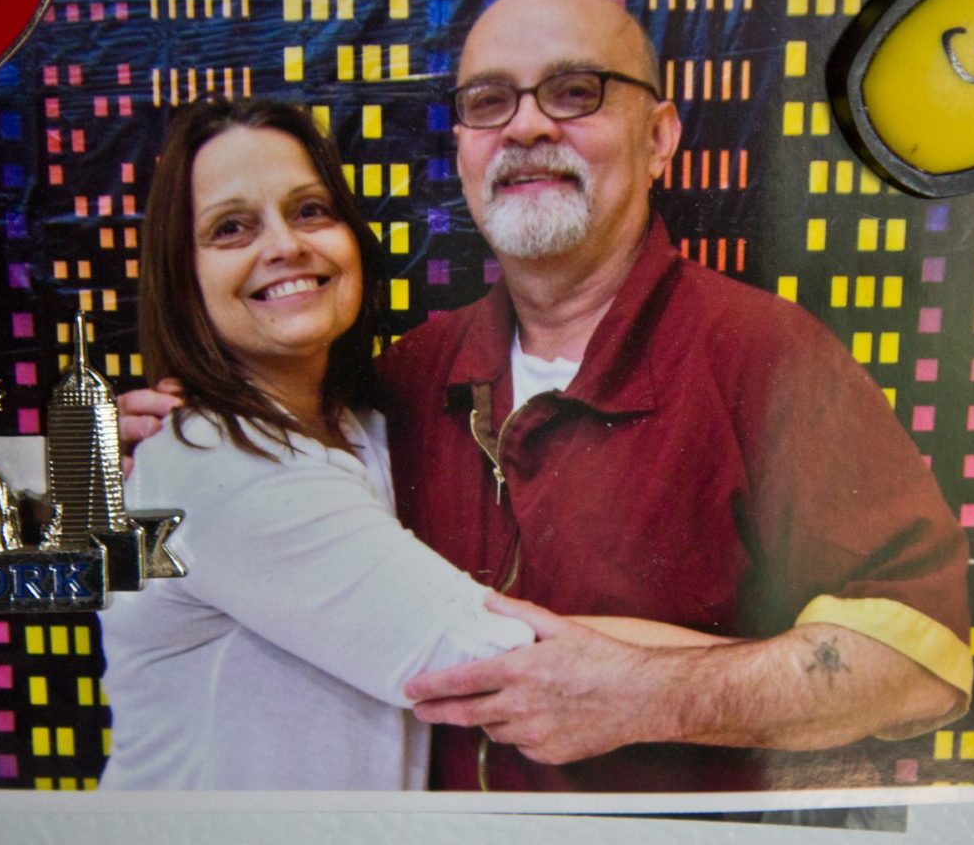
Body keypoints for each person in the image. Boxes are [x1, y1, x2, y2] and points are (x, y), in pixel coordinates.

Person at [121, 0, 971, 792]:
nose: (525, 128)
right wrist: (158, 435)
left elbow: (918, 665)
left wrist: (652, 691)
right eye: (489, 100)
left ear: (660, 137)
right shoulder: (405, 381)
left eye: (574, 91)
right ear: (458, 147)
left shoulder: (768, 358)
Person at [98, 99, 725, 790]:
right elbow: (509, 658)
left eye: (310, 210)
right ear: (182, 277)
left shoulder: (369, 426)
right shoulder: (218, 459)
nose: (284, 246)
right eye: (230, 228)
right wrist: (797, 672)